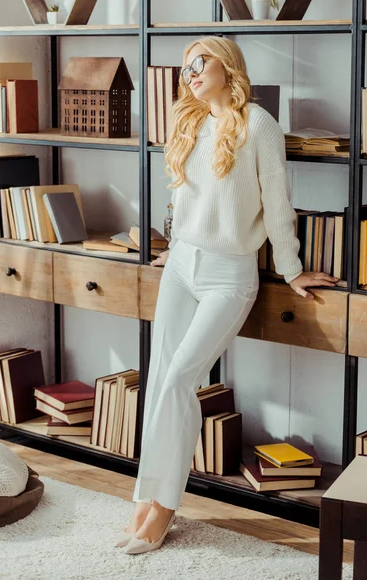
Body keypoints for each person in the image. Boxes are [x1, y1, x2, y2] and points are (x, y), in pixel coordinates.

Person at [115, 36, 339, 555]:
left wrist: (293, 270)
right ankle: (144, 499)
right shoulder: (188, 120)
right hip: (182, 266)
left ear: (227, 65)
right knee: (159, 383)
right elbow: (184, 198)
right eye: (186, 65)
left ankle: (165, 508)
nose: (191, 71)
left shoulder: (257, 123)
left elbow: (277, 203)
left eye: (202, 61)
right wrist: (173, 248)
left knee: (177, 381)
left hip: (228, 276)